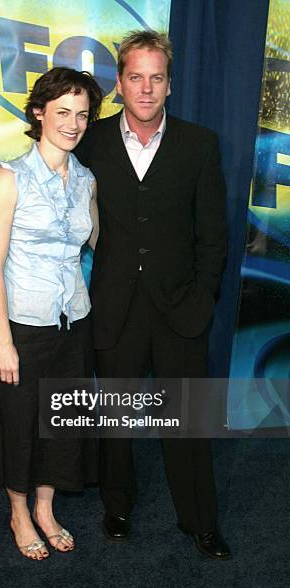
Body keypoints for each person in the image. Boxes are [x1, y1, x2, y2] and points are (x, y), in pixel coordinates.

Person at [75, 30, 232, 559]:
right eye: (135, 77)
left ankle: (200, 521)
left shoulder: (199, 143)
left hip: (180, 308)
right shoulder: (89, 140)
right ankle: (116, 506)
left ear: (170, 84)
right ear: (119, 83)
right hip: (114, 306)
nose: (145, 88)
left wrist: (202, 298)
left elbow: (214, 235)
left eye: (156, 78)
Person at [0, 67, 103, 560]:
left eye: (83, 115)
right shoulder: (10, 179)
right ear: (39, 113)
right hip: (25, 325)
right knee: (21, 422)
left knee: (62, 421)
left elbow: (96, 243)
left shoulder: (86, 180)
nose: (73, 124)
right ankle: (19, 511)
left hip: (75, 319)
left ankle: (47, 508)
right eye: (63, 112)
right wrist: (3, 341)